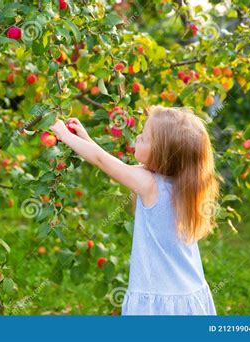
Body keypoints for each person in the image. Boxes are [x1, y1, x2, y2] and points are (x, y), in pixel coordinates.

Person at [50, 105, 218, 315]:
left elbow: (103, 161)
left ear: (162, 154)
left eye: (145, 138)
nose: (138, 137)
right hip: (189, 293)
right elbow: (107, 161)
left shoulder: (148, 183)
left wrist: (63, 134)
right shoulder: (183, 185)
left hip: (159, 300)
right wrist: (84, 137)